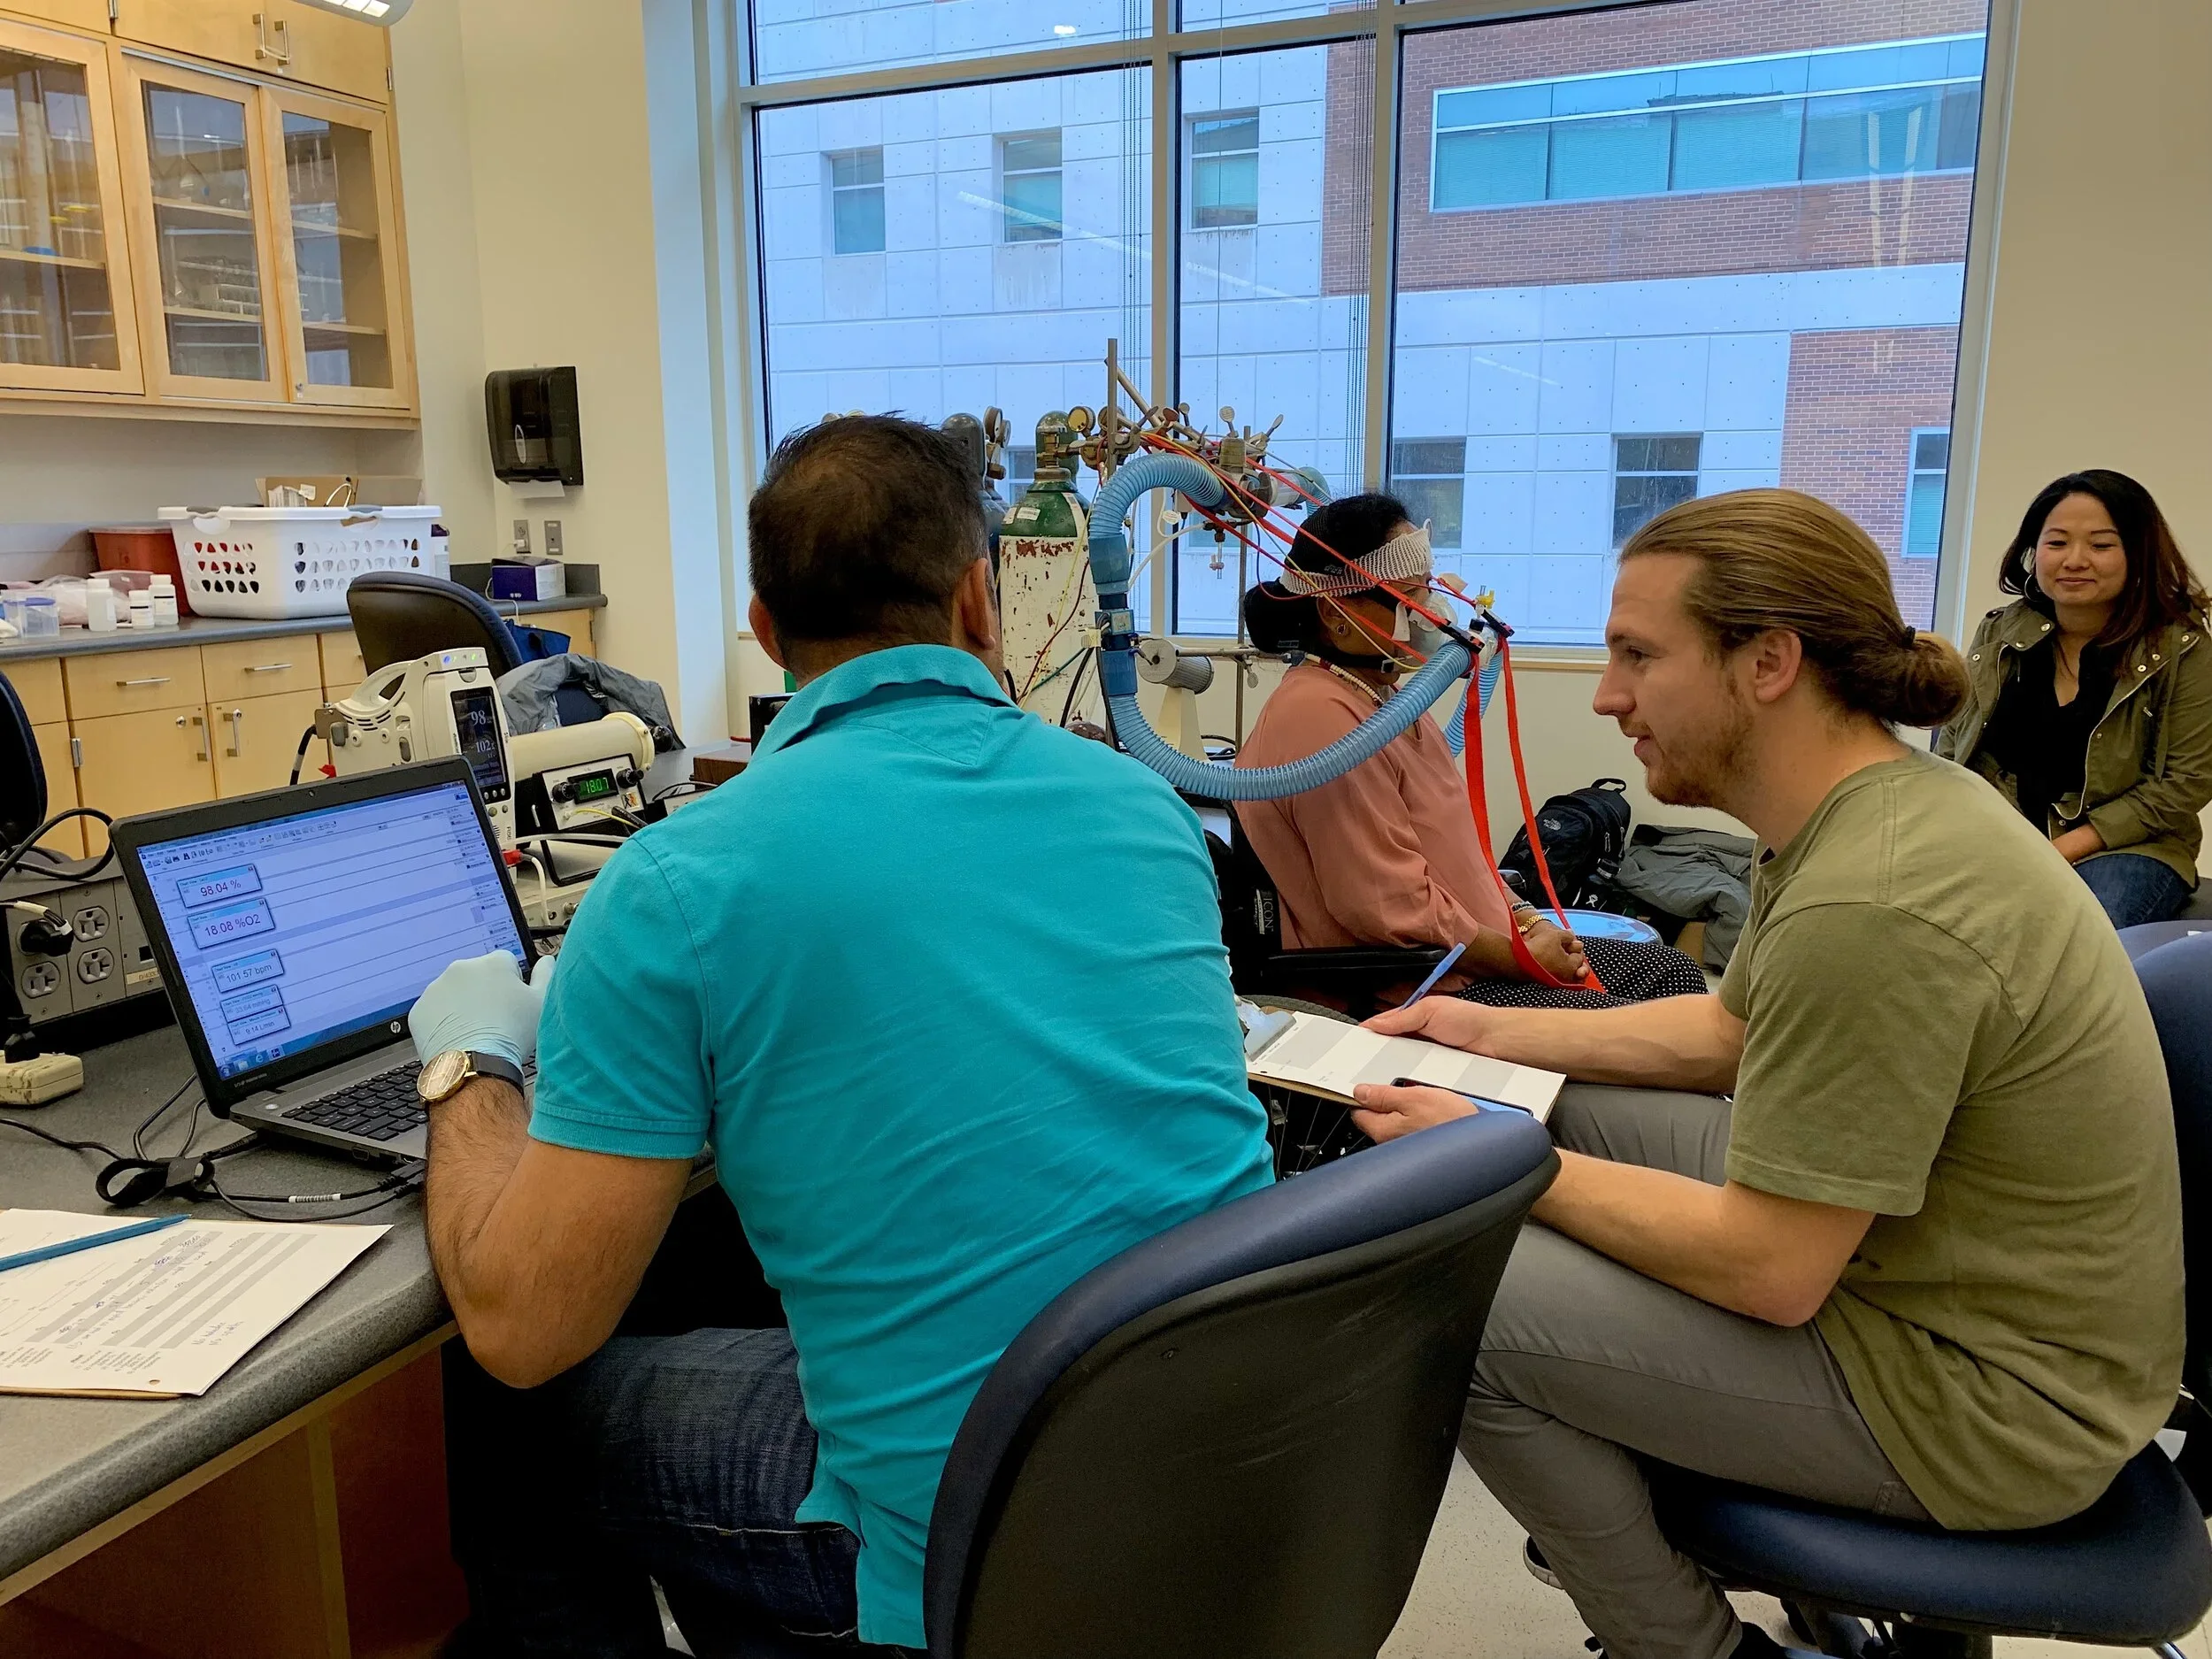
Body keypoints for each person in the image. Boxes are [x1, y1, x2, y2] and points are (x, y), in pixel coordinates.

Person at [407, 415, 1276, 1656]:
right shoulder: (1146, 808)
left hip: (970, 1536)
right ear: (981, 597)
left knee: (511, 1400)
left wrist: (470, 1060)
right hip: (1216, 1457)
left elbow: (521, 1322)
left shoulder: (673, 887)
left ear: (765, 629)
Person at [1347, 488, 2184, 1659]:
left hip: (1988, 1404)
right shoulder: (1870, 805)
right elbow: (1731, 1036)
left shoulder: (1871, 897)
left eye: (1639, 655)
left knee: (1454, 1293)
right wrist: (1485, 1036)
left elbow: (1775, 1266)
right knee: (1553, 1111)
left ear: (1770, 662)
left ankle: (1691, 1648)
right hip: (1953, 1268)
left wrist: (1488, 1151)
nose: (1605, 694)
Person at [1233, 494, 1708, 1009]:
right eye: (1409, 597)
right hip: (1415, 986)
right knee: (1634, 1018)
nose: (1433, 615)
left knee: (1669, 972)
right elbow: (1387, 908)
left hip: (1478, 955)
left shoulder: (1387, 699)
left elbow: (1462, 854)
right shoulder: (1318, 716)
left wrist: (1529, 922)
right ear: (1337, 614)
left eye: (1428, 591)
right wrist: (1522, 957)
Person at [1937, 468, 2211, 928]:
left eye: (2101, 545)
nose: (2075, 560)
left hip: (2129, 848)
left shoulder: (2184, 648)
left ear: (2138, 554)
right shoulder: (2000, 630)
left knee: (2076, 931)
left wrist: (2057, 850)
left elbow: (2185, 783)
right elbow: (1956, 745)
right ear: (2033, 551)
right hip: (2002, 833)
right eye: (2057, 542)